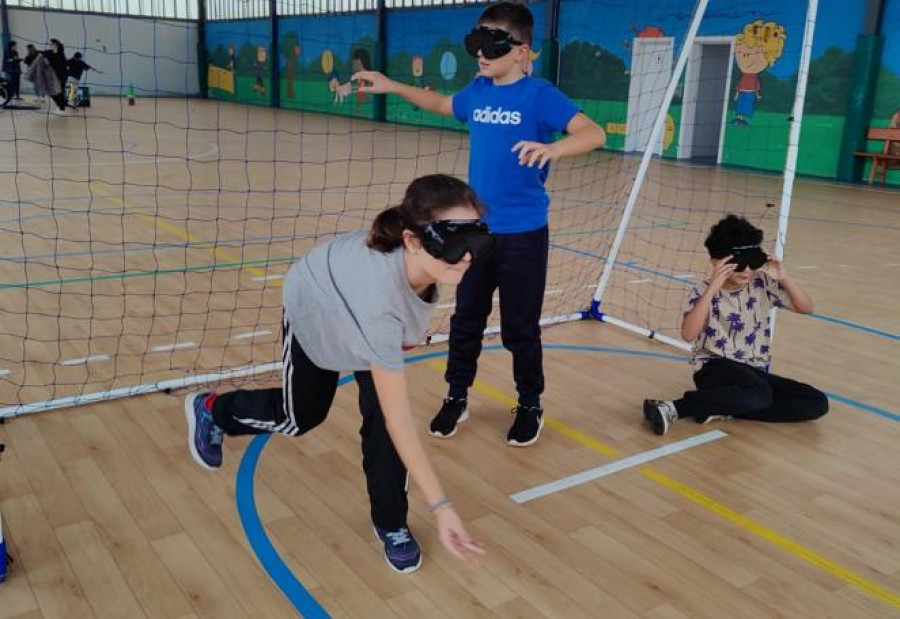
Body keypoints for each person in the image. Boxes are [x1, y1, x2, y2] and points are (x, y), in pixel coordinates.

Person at [184, 174, 489, 573]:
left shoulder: (424, 269)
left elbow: (390, 419)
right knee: (302, 416)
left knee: (381, 425)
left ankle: (391, 523)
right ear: (413, 240)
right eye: (453, 241)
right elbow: (403, 420)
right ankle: (214, 409)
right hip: (317, 305)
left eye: (477, 240)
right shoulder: (381, 303)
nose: (467, 256)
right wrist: (442, 506)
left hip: (360, 307)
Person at [353, 2, 606, 446]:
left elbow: (594, 132)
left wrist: (555, 150)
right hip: (475, 232)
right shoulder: (478, 90)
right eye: (475, 45)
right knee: (467, 319)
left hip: (525, 233)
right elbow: (441, 102)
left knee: (519, 329)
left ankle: (530, 403)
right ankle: (457, 395)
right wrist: (390, 84)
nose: (481, 55)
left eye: (491, 46)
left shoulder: (540, 95)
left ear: (523, 51)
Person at [643, 215, 828, 435]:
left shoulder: (763, 284)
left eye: (753, 261)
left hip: (755, 373)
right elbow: (688, 334)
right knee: (759, 395)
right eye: (739, 264)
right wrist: (714, 286)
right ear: (717, 262)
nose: (747, 270)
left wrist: (783, 277)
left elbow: (806, 307)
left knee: (815, 402)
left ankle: (724, 406)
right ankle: (672, 408)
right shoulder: (703, 292)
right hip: (714, 368)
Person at [43, 39, 68, 114]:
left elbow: (64, 65)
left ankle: (62, 109)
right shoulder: (49, 53)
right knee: (51, 92)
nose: (49, 45)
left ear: (55, 45)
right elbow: (40, 53)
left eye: (51, 44)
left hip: (61, 77)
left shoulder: (61, 55)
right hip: (52, 77)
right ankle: (59, 106)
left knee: (60, 93)